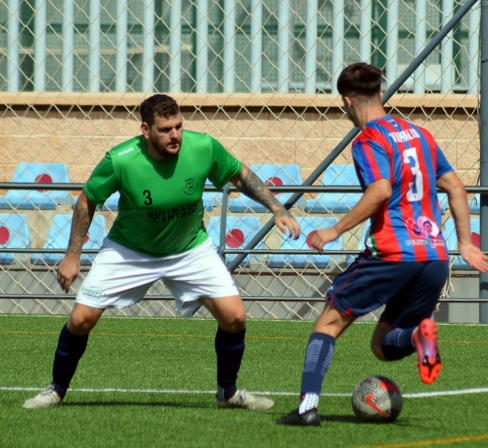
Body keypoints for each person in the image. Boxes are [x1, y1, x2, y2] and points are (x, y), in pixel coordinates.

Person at [23, 93, 301, 410]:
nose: (175, 135)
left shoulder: (203, 147)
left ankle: (228, 392)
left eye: (179, 126)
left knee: (234, 317)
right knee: (81, 319)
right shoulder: (121, 159)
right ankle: (56, 390)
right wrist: (72, 255)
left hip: (189, 248)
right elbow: (86, 201)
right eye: (166, 129)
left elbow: (240, 174)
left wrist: (277, 207)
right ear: (146, 130)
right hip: (129, 250)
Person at [277, 63, 488, 426]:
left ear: (346, 101)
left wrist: (333, 230)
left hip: (393, 252)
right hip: (435, 256)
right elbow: (456, 187)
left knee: (328, 324)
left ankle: (307, 408)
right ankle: (418, 337)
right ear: (380, 92)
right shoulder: (419, 135)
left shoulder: (367, 141)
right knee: (383, 344)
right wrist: (466, 245)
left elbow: (380, 190)